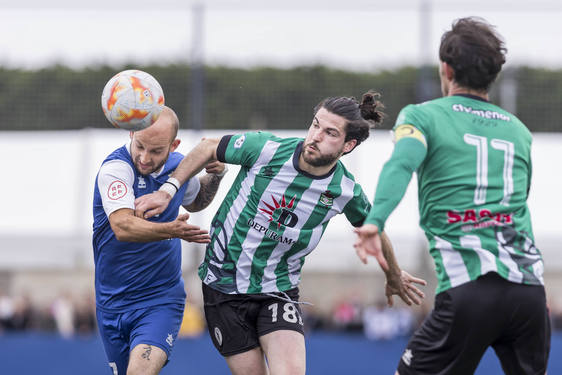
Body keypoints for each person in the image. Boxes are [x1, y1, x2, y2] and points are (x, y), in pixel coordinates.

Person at [135, 92, 427, 375]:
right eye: (315, 125)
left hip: (278, 290)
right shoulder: (266, 149)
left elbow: (375, 229)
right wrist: (167, 190)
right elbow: (208, 147)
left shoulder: (345, 191)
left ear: (348, 145)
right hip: (221, 287)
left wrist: (393, 274)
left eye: (330, 133)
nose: (315, 136)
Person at [354, 17, 550, 375]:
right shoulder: (519, 132)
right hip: (530, 294)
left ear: (446, 68)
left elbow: (401, 164)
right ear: (494, 74)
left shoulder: (423, 116)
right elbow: (518, 203)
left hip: (470, 288)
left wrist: (375, 221)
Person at [92, 106, 228, 375]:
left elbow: (196, 200)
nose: (144, 157)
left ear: (174, 144)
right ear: (131, 133)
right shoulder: (116, 169)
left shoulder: (179, 167)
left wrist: (216, 174)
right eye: (140, 146)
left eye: (155, 151)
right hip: (111, 302)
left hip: (160, 299)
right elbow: (123, 227)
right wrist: (171, 230)